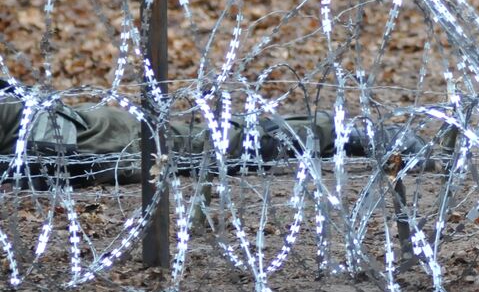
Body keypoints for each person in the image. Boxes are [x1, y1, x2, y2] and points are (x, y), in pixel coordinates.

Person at [1, 79, 425, 186]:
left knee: (208, 145)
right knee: (204, 144)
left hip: (71, 141)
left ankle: (342, 132)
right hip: (55, 144)